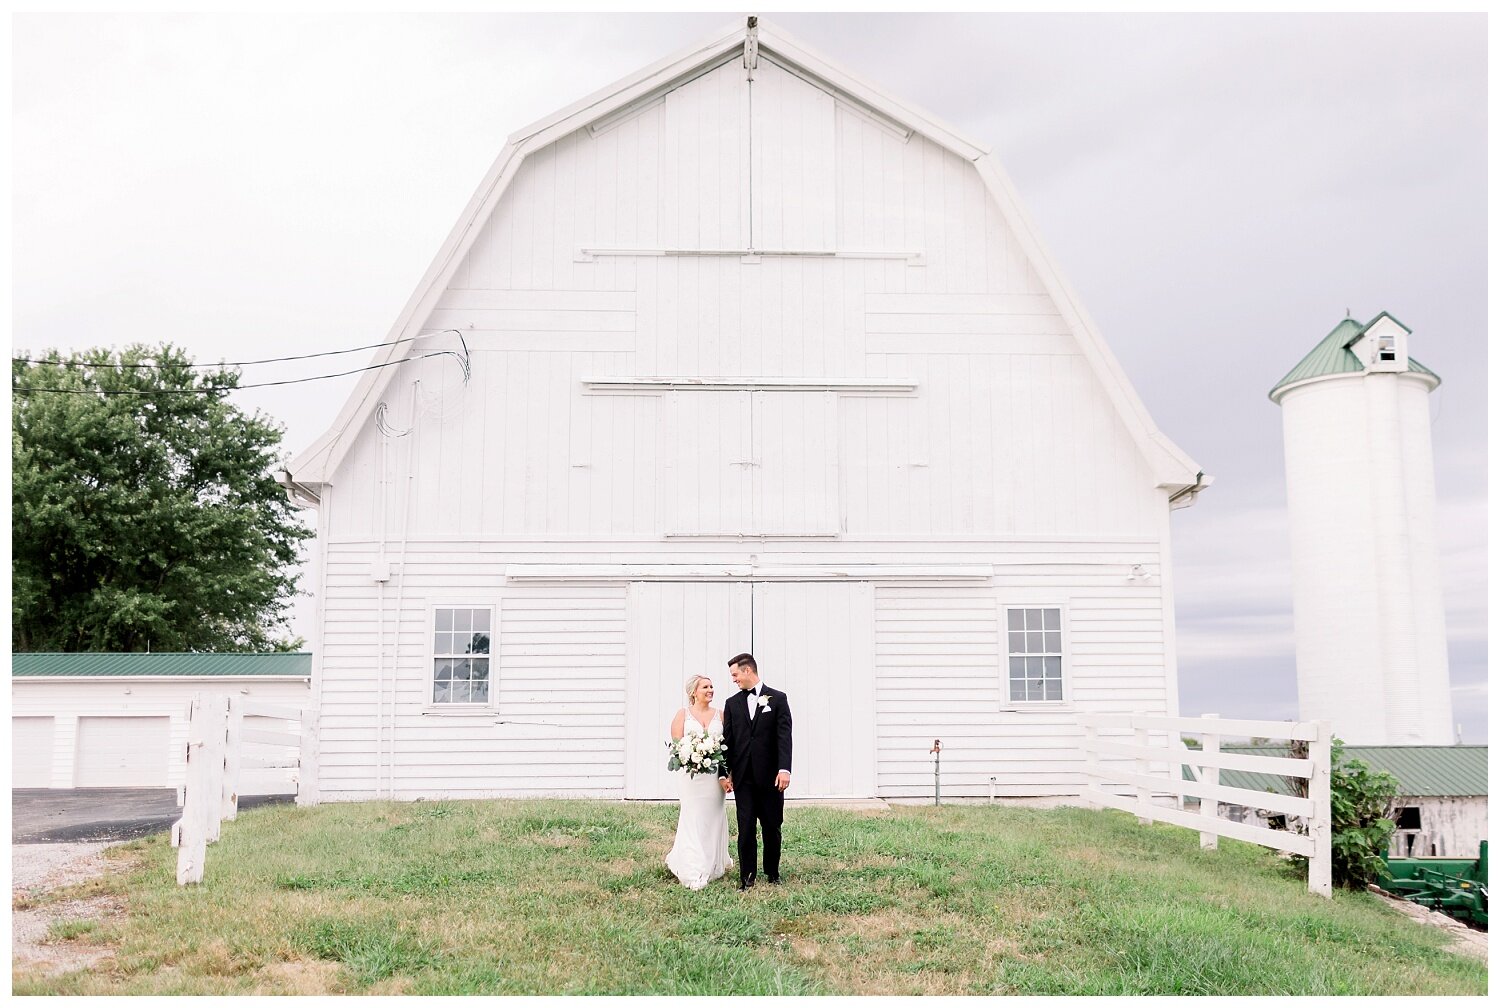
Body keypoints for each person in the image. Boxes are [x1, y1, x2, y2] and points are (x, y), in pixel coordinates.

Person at [718, 652, 792, 889]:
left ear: (748, 670)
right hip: (744, 778)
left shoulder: (778, 699)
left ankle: (772, 873)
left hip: (771, 777)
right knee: (745, 827)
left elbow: (784, 737)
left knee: (772, 826)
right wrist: (724, 772)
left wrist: (784, 769)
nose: (734, 679)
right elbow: (726, 741)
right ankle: (746, 878)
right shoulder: (732, 704)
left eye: (735, 674)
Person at [664, 674, 732, 890]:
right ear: (694, 692)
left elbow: (728, 748)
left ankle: (712, 862)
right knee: (692, 817)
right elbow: (676, 747)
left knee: (713, 818)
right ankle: (693, 867)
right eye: (705, 687)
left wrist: (726, 775)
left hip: (714, 779)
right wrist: (690, 756)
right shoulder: (682, 715)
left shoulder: (721, 715)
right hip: (691, 777)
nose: (710, 690)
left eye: (712, 686)